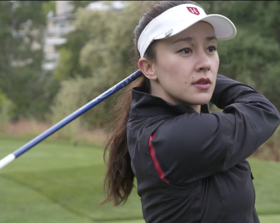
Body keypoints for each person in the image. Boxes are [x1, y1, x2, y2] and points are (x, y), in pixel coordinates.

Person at [102, 1, 280, 222]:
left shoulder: (170, 126)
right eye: (185, 50)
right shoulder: (167, 140)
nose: (206, 63)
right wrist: (203, 78)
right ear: (148, 68)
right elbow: (262, 111)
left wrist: (199, 77)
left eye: (210, 48)